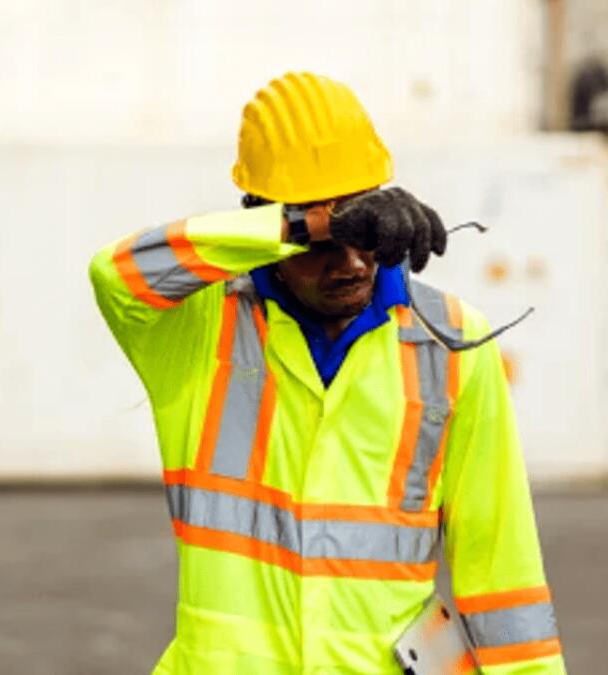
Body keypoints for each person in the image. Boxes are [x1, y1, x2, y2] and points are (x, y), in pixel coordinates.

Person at [88, 72, 565, 674]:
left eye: (361, 229)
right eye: (325, 240)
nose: (352, 261)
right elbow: (115, 273)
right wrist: (300, 228)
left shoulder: (451, 342)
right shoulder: (199, 327)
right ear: (265, 225)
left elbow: (504, 572)